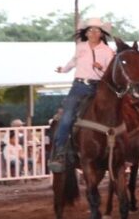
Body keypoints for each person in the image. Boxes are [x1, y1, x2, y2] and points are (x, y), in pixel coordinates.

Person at [48, 18, 116, 172]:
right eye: (90, 30)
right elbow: (73, 61)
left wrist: (101, 68)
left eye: (96, 30)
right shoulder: (81, 47)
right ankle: (59, 152)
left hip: (99, 87)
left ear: (101, 34)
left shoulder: (107, 51)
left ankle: (120, 152)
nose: (93, 33)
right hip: (79, 86)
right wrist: (64, 69)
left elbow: (111, 72)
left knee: (115, 114)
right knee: (67, 116)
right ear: (86, 33)